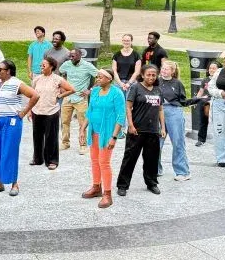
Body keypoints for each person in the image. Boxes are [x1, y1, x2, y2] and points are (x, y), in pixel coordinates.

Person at [0, 60, 39, 196]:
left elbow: (35, 95)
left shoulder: (16, 83)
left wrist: (24, 112)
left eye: (0, 69)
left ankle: (14, 183)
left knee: (9, 152)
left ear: (8, 71)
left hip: (11, 121)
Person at [117, 64, 166, 196]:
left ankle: (151, 183)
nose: (151, 77)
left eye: (153, 75)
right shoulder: (136, 87)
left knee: (152, 159)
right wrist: (131, 125)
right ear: (143, 75)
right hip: (137, 130)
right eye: (148, 74)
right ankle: (122, 185)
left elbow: (161, 109)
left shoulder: (158, 90)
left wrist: (163, 127)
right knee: (130, 158)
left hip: (153, 130)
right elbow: (128, 107)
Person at [84, 69, 126, 207]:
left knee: (104, 162)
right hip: (93, 131)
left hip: (107, 133)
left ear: (109, 79)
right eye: (97, 77)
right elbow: (90, 110)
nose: (98, 79)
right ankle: (96, 187)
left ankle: (107, 194)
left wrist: (113, 137)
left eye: (100, 77)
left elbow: (121, 116)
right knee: (94, 160)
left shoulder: (116, 93)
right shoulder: (95, 91)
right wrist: (82, 128)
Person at [30, 56, 75, 170]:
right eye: (41, 65)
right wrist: (30, 111)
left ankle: (52, 160)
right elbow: (32, 95)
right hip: (37, 110)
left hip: (51, 111)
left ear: (51, 66)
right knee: (37, 136)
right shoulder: (37, 79)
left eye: (44, 65)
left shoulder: (57, 79)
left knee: (51, 137)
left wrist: (59, 96)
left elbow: (71, 89)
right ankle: (37, 158)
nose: (41, 66)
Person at [59, 48, 98, 155]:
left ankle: (83, 145)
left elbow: (99, 77)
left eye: (73, 56)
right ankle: (65, 142)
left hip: (81, 99)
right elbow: (61, 73)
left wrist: (90, 90)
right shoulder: (67, 64)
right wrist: (62, 86)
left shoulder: (87, 66)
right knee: (64, 121)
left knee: (83, 123)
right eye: (70, 56)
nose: (71, 58)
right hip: (68, 97)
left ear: (80, 55)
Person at [158, 60, 192, 181]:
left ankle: (183, 171)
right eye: (162, 68)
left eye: (166, 69)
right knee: (156, 142)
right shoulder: (156, 81)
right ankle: (156, 169)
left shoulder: (177, 83)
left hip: (174, 112)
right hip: (158, 112)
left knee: (178, 142)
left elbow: (183, 101)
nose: (163, 70)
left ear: (172, 71)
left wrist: (197, 100)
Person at [194, 61, 220, 146]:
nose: (211, 70)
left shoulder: (220, 80)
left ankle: (220, 140)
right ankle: (201, 139)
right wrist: (196, 100)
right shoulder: (205, 80)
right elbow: (201, 91)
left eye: (213, 68)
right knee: (203, 121)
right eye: (210, 68)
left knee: (218, 122)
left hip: (216, 102)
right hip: (205, 103)